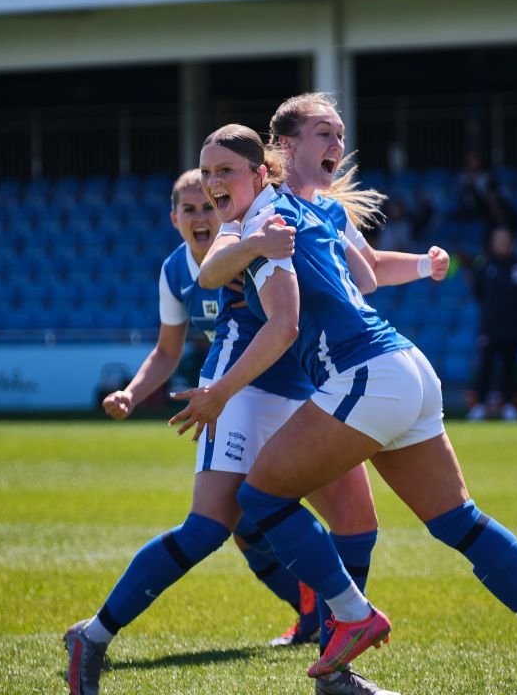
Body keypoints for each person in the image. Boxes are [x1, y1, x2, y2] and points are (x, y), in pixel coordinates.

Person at [172, 124, 517, 694]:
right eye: (325, 133)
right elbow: (357, 272)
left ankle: (351, 612)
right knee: (458, 522)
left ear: (263, 167)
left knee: (260, 497)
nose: (336, 146)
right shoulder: (309, 212)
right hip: (407, 367)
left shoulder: (274, 217)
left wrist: (220, 390)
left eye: (338, 135)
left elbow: (274, 309)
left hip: (363, 370)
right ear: (288, 147)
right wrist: (420, 265)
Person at [64, 169, 389, 695]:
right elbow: (170, 346)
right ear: (174, 218)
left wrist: (421, 265)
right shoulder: (205, 258)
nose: (201, 216)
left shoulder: (260, 224)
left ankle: (334, 666)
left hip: (300, 388)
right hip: (238, 390)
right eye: (190, 209)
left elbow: (362, 273)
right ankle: (95, 634)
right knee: (210, 528)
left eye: (210, 204)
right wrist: (135, 390)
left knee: (354, 521)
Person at [466, 226, 517, 421]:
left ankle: (508, 405)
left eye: (505, 238)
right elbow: (478, 293)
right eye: (498, 239)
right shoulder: (485, 265)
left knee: (510, 368)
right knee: (485, 367)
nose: (502, 242)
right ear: (493, 242)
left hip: (514, 326)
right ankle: (480, 405)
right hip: (490, 327)